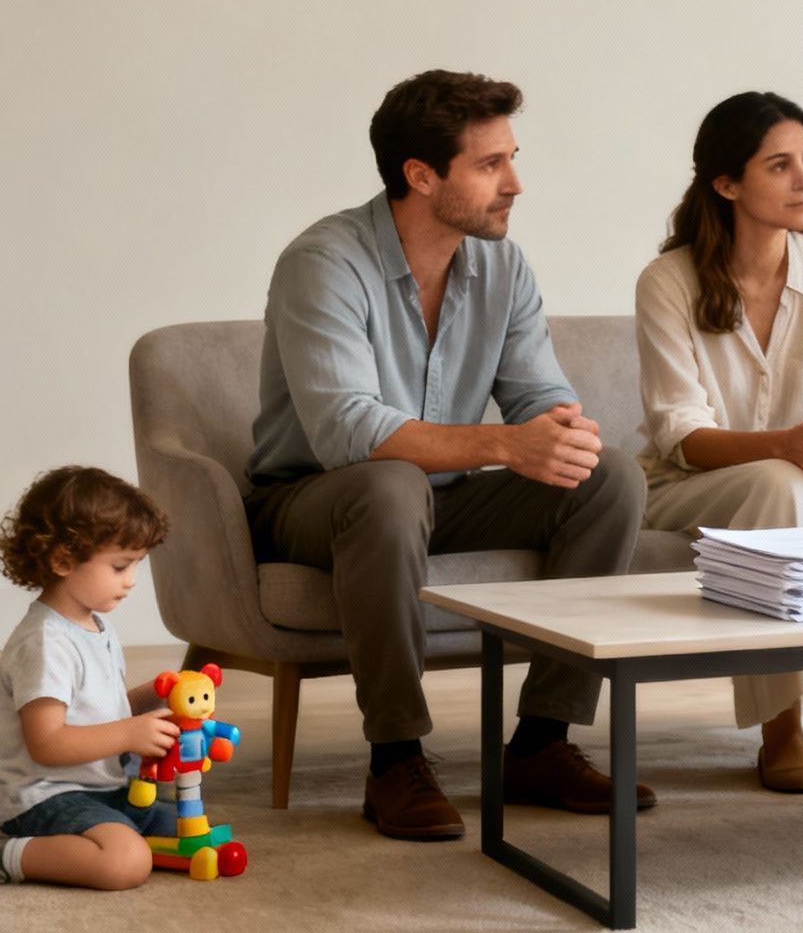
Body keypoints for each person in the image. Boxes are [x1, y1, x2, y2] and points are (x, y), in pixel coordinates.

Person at [244, 70, 653, 841]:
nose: (515, 183)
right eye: (490, 164)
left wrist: (563, 433)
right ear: (421, 176)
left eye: (512, 158)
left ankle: (542, 741)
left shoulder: (503, 266)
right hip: (314, 500)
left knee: (609, 478)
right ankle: (394, 756)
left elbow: (539, 395)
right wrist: (504, 442)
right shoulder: (323, 262)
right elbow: (347, 432)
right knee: (391, 485)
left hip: (441, 494)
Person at [636, 91, 803, 794]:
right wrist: (784, 444)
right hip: (688, 488)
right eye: (780, 165)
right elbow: (680, 435)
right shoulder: (670, 281)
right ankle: (778, 723)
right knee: (778, 481)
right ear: (727, 184)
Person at [0, 466, 181, 891]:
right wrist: (130, 734)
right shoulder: (45, 642)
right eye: (120, 566)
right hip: (46, 794)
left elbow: (100, 714)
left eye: (136, 565)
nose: (131, 581)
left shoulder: (95, 626)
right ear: (63, 560)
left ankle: (93, 838)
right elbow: (48, 742)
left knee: (184, 829)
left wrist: (152, 698)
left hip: (102, 787)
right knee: (125, 862)